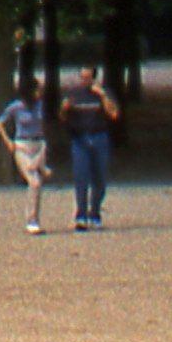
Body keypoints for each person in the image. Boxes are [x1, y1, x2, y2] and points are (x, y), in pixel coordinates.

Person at [60, 65, 117, 230]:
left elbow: (113, 114)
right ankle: (81, 215)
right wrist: (64, 109)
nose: (84, 81)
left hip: (99, 137)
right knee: (81, 177)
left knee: (99, 179)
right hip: (79, 139)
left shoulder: (102, 94)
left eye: (88, 78)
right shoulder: (73, 93)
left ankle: (95, 213)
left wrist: (103, 96)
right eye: (82, 77)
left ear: (94, 78)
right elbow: (62, 117)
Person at [0, 77, 52, 233]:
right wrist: (8, 142)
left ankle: (41, 166)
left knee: (37, 183)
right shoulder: (16, 107)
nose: (39, 93)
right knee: (34, 182)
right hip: (23, 145)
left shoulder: (41, 106)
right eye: (37, 89)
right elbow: (0, 122)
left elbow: (43, 124)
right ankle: (31, 220)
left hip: (38, 145)